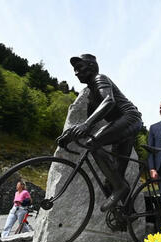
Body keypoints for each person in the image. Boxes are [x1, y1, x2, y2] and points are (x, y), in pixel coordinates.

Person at [57, 54, 142, 212]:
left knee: (93, 144)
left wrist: (86, 124)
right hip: (124, 125)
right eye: (74, 70)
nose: (76, 73)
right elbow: (87, 127)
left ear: (91, 66)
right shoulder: (91, 95)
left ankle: (120, 188)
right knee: (113, 178)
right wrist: (70, 135)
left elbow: (109, 101)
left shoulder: (99, 79)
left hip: (130, 118)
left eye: (79, 68)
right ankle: (128, 215)